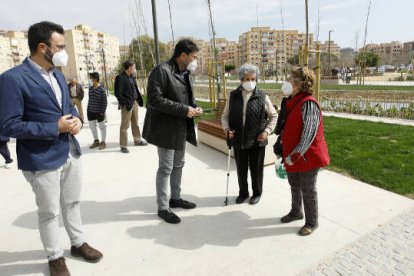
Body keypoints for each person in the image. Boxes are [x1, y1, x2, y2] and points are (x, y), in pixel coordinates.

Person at [0, 21, 102, 276]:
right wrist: (54, 127)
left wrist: (75, 119)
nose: (63, 51)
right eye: (60, 46)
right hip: (41, 157)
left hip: (69, 150)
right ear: (42, 47)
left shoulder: (57, 73)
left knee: (73, 202)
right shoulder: (12, 79)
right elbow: (9, 125)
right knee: (49, 211)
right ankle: (55, 256)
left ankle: (77, 243)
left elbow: (65, 108)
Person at [143, 39, 203, 224]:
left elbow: (185, 98)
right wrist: (183, 110)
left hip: (180, 127)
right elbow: (154, 99)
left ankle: (175, 198)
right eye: (193, 57)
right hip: (165, 128)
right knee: (166, 167)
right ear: (183, 55)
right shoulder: (162, 71)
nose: (195, 60)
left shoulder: (185, 73)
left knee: (179, 165)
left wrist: (194, 107)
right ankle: (163, 207)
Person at [279, 67, 330, 236]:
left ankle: (312, 222)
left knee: (308, 189)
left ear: (299, 83)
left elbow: (309, 133)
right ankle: (296, 212)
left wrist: (294, 155)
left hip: (307, 156)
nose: (287, 81)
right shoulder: (291, 100)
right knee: (294, 185)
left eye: (290, 78)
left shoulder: (308, 103)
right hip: (293, 155)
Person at [221, 63, 277, 205]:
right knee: (241, 169)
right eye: (247, 79)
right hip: (238, 139)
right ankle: (243, 193)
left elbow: (273, 116)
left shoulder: (262, 96)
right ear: (241, 80)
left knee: (256, 170)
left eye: (253, 79)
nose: (250, 82)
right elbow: (225, 116)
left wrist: (267, 131)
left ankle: (257, 193)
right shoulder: (233, 95)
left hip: (257, 140)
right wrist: (227, 129)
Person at [114, 60, 147, 153]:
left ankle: (137, 140)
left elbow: (135, 89)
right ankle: (123, 145)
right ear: (129, 68)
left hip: (135, 102)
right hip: (127, 105)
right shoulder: (120, 78)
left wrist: (138, 100)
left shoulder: (131, 77)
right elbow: (118, 93)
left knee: (135, 123)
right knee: (124, 125)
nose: (135, 69)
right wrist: (124, 103)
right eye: (134, 67)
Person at [87, 72, 108, 150]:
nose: (90, 79)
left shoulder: (102, 89)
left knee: (102, 127)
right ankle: (96, 141)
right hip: (90, 111)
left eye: (91, 78)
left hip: (99, 112)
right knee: (92, 127)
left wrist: (102, 112)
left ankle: (103, 142)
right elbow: (90, 100)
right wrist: (88, 110)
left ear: (95, 79)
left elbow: (105, 102)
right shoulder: (90, 88)